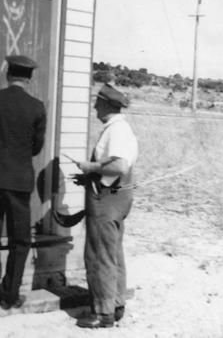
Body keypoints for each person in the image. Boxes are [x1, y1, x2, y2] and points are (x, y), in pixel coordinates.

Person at [0, 55, 47, 309]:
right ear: (29, 79)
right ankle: (10, 295)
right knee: (20, 239)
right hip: (18, 182)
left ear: (8, 74)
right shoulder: (36, 107)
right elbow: (36, 147)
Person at [75, 83, 139, 328]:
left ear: (105, 104)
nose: (94, 107)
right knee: (113, 253)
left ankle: (103, 313)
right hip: (117, 196)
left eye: (97, 103)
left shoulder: (116, 131)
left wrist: (90, 167)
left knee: (99, 255)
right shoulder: (121, 128)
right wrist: (90, 177)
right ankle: (116, 305)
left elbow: (119, 166)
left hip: (107, 200)